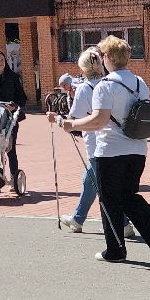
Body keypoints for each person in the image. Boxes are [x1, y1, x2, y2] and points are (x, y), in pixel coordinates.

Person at [54, 35, 150, 262]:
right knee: (128, 195)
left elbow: (99, 121)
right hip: (138, 149)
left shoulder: (105, 86)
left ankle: (116, 250)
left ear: (107, 57)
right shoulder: (140, 82)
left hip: (110, 151)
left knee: (109, 200)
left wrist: (71, 125)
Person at [62, 50, 105, 233]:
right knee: (90, 180)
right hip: (112, 141)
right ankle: (78, 218)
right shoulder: (108, 84)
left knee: (100, 185)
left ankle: (125, 224)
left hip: (96, 143)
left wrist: (58, 120)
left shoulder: (84, 89)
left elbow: (73, 119)